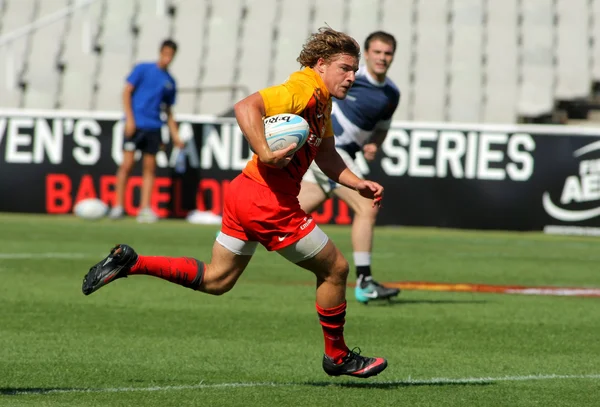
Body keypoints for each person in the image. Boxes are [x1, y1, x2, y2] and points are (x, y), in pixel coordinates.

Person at [82, 28, 387, 378]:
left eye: (354, 70)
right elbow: (247, 106)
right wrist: (266, 152)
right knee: (336, 269)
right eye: (345, 68)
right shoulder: (303, 88)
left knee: (218, 280)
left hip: (245, 191)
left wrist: (357, 182)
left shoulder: (322, 100)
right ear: (320, 64)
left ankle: (132, 263)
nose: (352, 77)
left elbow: (328, 155)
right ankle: (337, 355)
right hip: (268, 202)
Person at [298, 31, 401, 304]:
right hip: (332, 151)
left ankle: (243, 229)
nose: (382, 58)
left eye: (387, 53)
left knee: (289, 212)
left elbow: (381, 130)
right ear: (366, 54)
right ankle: (365, 282)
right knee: (368, 206)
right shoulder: (351, 77)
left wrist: (374, 145)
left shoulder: (391, 94)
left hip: (344, 153)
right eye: (377, 52)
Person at [108, 39, 185, 223]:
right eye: (165, 53)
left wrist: (175, 135)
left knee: (149, 168)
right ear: (160, 52)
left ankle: (144, 209)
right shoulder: (143, 69)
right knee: (127, 165)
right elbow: (127, 91)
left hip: (154, 127)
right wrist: (130, 119)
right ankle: (118, 206)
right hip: (136, 124)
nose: (167, 58)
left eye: (171, 55)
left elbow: (168, 110)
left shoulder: (170, 81)